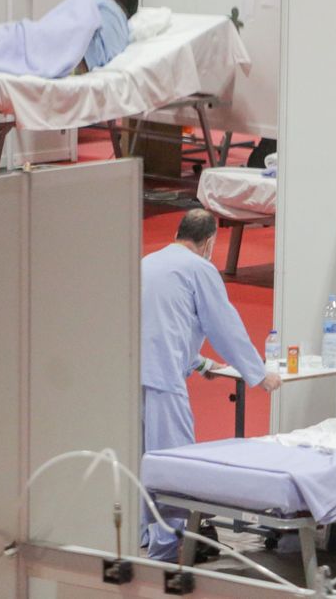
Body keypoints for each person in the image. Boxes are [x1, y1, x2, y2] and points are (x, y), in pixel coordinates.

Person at [140, 208, 280, 561]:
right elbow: (223, 326)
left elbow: (165, 322)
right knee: (173, 467)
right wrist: (258, 374)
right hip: (162, 379)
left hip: (128, 375)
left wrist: (199, 362)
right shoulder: (199, 269)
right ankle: (170, 547)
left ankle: (144, 534)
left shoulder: (149, 262)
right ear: (209, 243)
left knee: (139, 460)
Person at [0, 0, 138, 78]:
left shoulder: (104, 1)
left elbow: (74, 17)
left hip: (71, 57)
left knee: (13, 37)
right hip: (81, 69)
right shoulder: (124, 36)